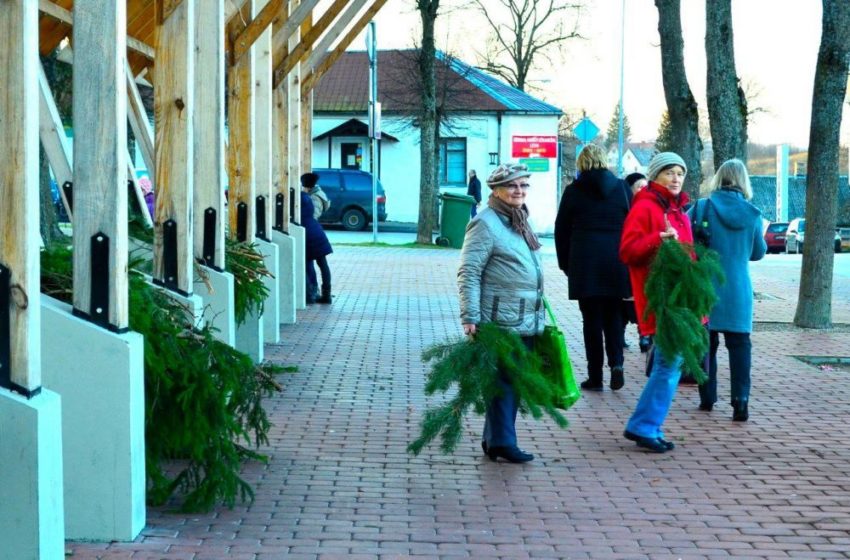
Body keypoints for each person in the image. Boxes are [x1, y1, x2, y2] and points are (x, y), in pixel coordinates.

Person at [458, 163, 544, 463]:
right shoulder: (486, 222)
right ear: (496, 190)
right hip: (500, 318)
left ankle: (495, 440)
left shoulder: (518, 219)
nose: (519, 191)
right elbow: (469, 271)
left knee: (510, 380)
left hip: (524, 315)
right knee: (504, 381)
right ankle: (503, 442)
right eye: (512, 185)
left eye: (523, 185)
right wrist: (470, 316)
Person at [619, 152, 694, 453]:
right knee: (667, 364)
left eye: (680, 173)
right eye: (669, 173)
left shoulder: (678, 209)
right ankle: (644, 425)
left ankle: (647, 424)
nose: (676, 179)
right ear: (655, 176)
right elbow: (627, 251)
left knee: (669, 364)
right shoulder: (646, 206)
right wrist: (656, 239)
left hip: (680, 299)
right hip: (662, 300)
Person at [689, 159, 766, 421]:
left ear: (718, 178)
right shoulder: (752, 213)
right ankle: (740, 401)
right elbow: (758, 252)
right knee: (740, 344)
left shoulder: (702, 207)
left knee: (706, 343)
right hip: (738, 288)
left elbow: (684, 240)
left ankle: (707, 397)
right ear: (744, 181)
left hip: (705, 285)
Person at [554, 144, 631, 392]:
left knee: (591, 321)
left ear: (581, 163)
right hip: (616, 261)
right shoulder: (622, 188)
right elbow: (632, 224)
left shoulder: (573, 191)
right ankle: (617, 365)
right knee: (614, 317)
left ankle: (595, 376)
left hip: (585, 262)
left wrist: (566, 264)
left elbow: (561, 230)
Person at [300, 173, 333, 304]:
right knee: (322, 264)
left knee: (308, 263)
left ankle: (312, 293)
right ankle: (326, 294)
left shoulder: (310, 198)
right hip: (318, 233)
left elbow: (311, 214)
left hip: (310, 235)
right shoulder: (316, 194)